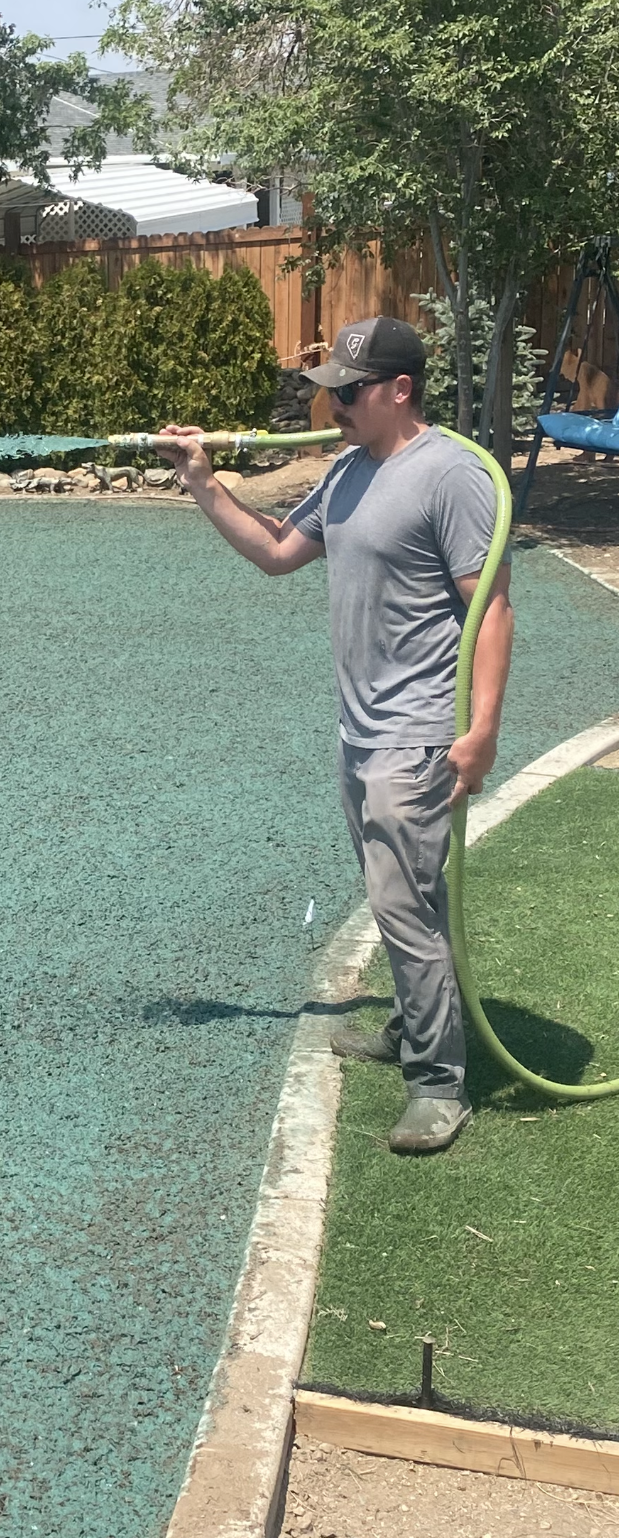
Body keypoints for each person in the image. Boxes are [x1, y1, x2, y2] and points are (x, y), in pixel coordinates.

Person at [159, 315, 514, 1154]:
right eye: (334, 392)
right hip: (360, 728)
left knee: (406, 907)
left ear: (399, 390)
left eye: (350, 392)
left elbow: (489, 606)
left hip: (419, 731)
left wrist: (484, 730)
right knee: (399, 900)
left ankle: (437, 1083)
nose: (338, 405)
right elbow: (279, 552)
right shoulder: (351, 470)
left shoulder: (451, 477)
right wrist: (203, 483)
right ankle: (409, 1027)